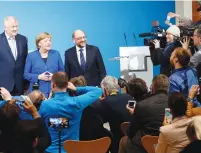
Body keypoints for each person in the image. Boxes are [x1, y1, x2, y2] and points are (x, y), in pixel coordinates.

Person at [38, 72, 102, 153]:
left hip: (51, 150)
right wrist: (77, 89)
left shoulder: (45, 105)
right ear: (67, 84)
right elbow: (98, 91)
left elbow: (38, 121)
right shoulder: (76, 102)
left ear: (53, 85)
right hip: (72, 150)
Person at [119, 74, 169, 153]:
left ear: (153, 87)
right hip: (168, 142)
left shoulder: (141, 105)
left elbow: (131, 132)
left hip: (145, 145)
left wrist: (134, 113)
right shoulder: (174, 102)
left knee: (124, 141)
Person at [95, 76, 133, 153]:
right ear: (118, 87)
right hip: (132, 139)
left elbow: (100, 121)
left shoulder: (104, 102)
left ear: (105, 90)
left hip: (116, 143)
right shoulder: (129, 97)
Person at [24, 32, 64, 98]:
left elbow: (62, 72)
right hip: (36, 93)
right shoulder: (31, 56)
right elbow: (26, 75)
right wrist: (39, 77)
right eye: (45, 41)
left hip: (54, 92)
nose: (49, 42)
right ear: (39, 43)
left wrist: (54, 76)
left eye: (50, 41)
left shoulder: (56, 54)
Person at [0, 16, 28, 95]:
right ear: (5, 27)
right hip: (3, 87)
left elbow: (25, 61)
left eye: (16, 26)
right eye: (13, 27)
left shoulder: (23, 40)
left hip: (19, 85)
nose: (15, 29)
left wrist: (26, 84)